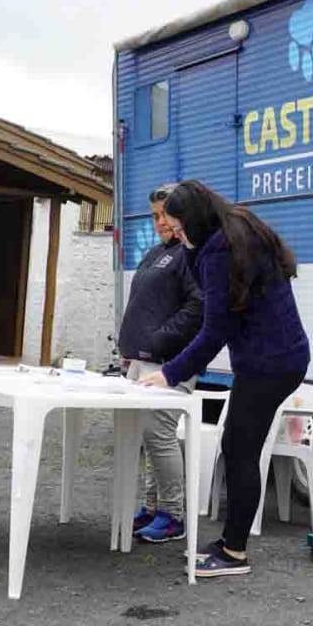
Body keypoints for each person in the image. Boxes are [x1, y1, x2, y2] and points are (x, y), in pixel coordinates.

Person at [136, 179, 310, 577]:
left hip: (269, 363)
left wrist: (169, 374)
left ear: (195, 220)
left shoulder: (218, 252)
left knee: (240, 451)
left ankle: (234, 553)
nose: (177, 235)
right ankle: (230, 542)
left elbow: (214, 331)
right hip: (280, 356)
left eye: (179, 228)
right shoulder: (237, 228)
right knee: (236, 446)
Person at [119, 185, 203, 544]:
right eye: (154, 216)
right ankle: (153, 507)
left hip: (169, 362)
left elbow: (198, 306)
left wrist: (159, 339)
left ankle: (173, 514)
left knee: (159, 433)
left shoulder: (190, 255)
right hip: (142, 362)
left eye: (164, 214)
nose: (159, 222)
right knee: (147, 436)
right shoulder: (158, 253)